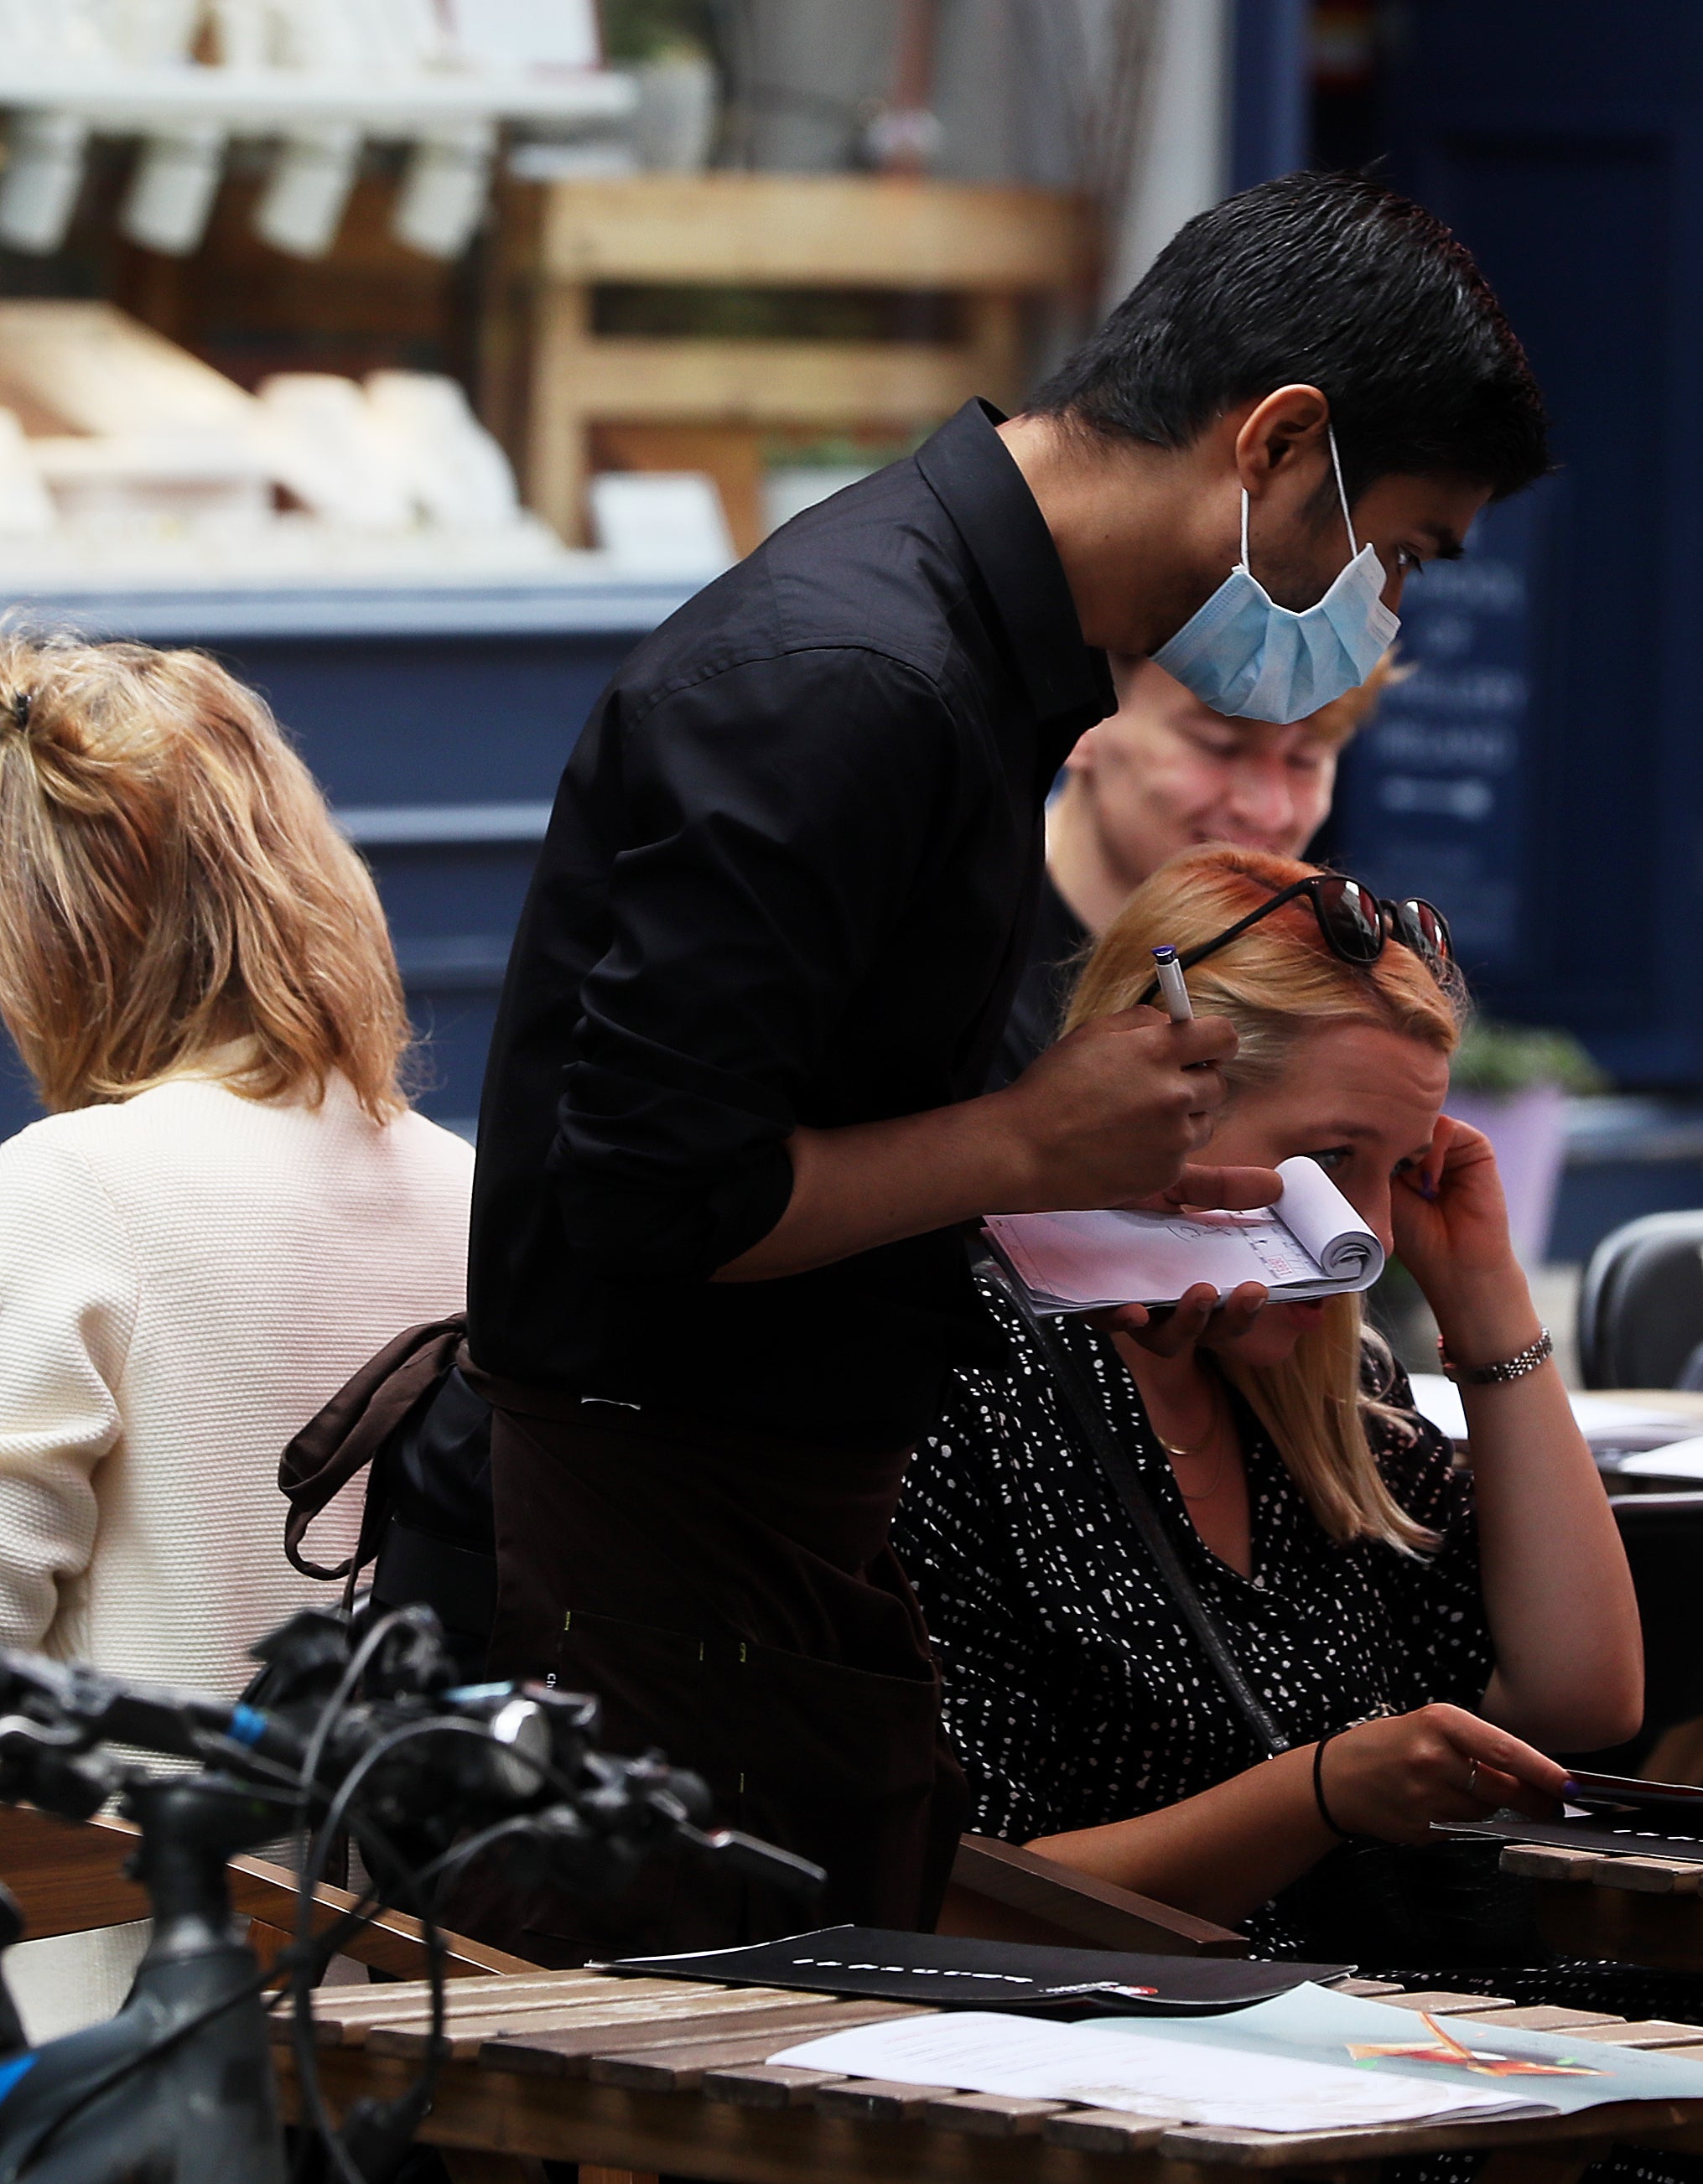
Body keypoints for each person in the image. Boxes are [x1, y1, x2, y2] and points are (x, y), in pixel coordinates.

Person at [443, 169, 1549, 1957]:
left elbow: (839, 1130)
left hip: (770, 1533)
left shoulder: (977, 660)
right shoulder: (852, 677)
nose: (1385, 612)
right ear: (1277, 446)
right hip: (668, 1555)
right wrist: (1030, 1141)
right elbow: (656, 1194)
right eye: (1396, 552)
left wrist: (1090, 1189)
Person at [901, 848, 1641, 1972]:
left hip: (1379, 2048)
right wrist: (1315, 1794)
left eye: (1400, 1170)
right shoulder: (969, 1382)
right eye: (1329, 1160)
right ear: (1153, 1112)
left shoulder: (1327, 1389)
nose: (1369, 1238)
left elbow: (1580, 1696)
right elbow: (957, 1898)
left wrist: (1486, 1299)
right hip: (1116, 2078)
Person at [0, 637, 473, 2029]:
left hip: (128, 2052)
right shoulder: (470, 1190)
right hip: (437, 2047)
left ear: (55, 935)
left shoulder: (70, 1191)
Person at [998, 652, 1402, 1077]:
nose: (1270, 812)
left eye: (1305, 760)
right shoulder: (951, 964)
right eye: (1219, 747)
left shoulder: (1316, 1012)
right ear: (1078, 720)